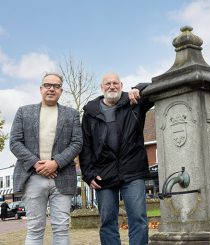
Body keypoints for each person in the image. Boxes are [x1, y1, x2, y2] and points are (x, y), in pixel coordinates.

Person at [79, 72, 154, 245]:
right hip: (103, 174)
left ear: (121, 85)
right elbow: (86, 146)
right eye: (107, 84)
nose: (111, 86)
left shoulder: (134, 103)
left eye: (115, 83)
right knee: (107, 223)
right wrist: (88, 174)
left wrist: (137, 88)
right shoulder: (90, 112)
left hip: (132, 171)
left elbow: (152, 87)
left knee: (138, 219)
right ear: (101, 88)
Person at [10, 72, 83, 244]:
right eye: (47, 85)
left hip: (62, 177)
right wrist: (37, 164)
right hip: (32, 177)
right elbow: (14, 142)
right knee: (35, 228)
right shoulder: (23, 112)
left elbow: (77, 143)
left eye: (56, 86)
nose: (51, 89)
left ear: (61, 91)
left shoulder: (71, 114)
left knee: (62, 228)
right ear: (40, 88)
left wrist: (56, 163)